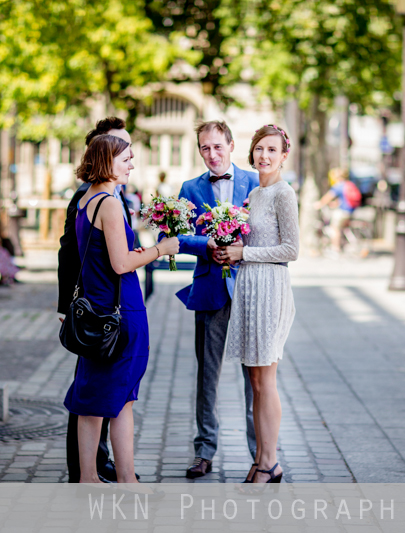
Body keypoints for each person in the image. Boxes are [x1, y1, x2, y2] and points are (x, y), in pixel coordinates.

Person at [62, 134, 179, 485]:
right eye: (126, 159)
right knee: (121, 400)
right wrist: (160, 249)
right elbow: (121, 263)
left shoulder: (87, 198)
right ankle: (126, 482)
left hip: (98, 312)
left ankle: (91, 479)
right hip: (119, 314)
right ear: (106, 161)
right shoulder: (110, 204)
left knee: (94, 401)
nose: (132, 164)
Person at [165, 120, 259, 478]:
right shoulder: (190, 187)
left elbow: (269, 233)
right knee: (207, 376)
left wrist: (240, 248)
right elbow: (171, 235)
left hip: (249, 289)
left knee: (256, 377)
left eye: (218, 146)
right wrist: (206, 244)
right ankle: (204, 451)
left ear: (231, 145)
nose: (212, 154)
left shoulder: (256, 182)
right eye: (205, 148)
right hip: (209, 289)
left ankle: (260, 454)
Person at [218, 125, 299, 484]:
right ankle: (262, 459)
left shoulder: (284, 193)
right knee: (254, 379)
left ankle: (270, 462)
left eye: (272, 150)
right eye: (259, 149)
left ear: (283, 156)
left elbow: (291, 250)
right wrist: (232, 252)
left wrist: (244, 253)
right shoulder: (254, 194)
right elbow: (253, 243)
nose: (264, 156)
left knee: (266, 379)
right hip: (249, 285)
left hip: (271, 287)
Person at [57, 117, 136, 483]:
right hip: (99, 308)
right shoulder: (93, 197)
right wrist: (68, 306)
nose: (129, 157)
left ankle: (97, 467)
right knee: (94, 392)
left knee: (99, 389)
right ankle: (86, 470)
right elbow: (70, 252)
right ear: (103, 153)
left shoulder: (111, 194)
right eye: (122, 150)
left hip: (105, 302)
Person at [315, 167, 361, 253]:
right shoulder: (348, 184)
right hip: (350, 211)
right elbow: (342, 200)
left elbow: (328, 197)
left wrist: (319, 204)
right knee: (343, 228)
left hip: (343, 212)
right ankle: (348, 243)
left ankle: (335, 249)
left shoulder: (339, 186)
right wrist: (333, 204)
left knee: (334, 228)